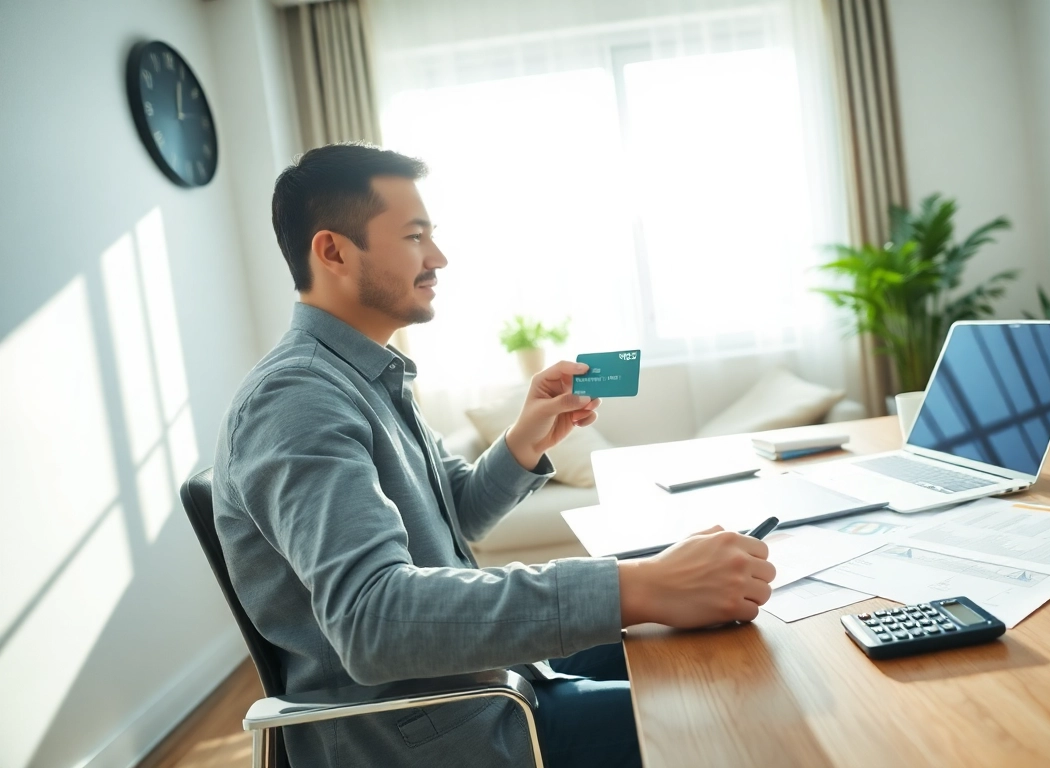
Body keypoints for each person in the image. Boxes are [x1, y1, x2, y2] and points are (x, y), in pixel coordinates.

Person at [213, 142, 776, 768]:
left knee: (722, 643)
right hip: (440, 731)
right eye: (415, 236)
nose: (438, 258)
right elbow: (374, 620)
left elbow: (452, 515)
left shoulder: (364, 376)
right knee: (735, 711)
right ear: (334, 251)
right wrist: (639, 584)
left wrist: (523, 440)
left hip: (484, 680)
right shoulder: (297, 400)